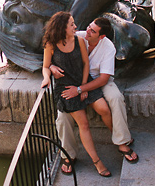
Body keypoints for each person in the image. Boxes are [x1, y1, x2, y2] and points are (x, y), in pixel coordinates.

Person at [54, 17, 139, 172]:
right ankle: (69, 154)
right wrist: (52, 67)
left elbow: (104, 78)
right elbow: (53, 49)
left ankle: (121, 141)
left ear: (101, 36)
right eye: (88, 26)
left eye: (92, 31)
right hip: (77, 79)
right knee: (62, 116)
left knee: (116, 98)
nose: (88, 31)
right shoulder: (79, 36)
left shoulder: (108, 47)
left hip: (100, 80)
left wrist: (82, 89)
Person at [41, 11, 112, 177]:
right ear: (62, 27)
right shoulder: (51, 44)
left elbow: (86, 63)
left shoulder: (79, 40)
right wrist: (47, 76)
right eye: (72, 24)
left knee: (103, 108)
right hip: (66, 89)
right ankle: (97, 161)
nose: (76, 26)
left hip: (83, 82)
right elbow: (45, 65)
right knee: (84, 124)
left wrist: (83, 87)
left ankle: (119, 140)